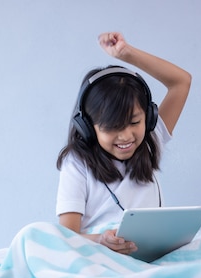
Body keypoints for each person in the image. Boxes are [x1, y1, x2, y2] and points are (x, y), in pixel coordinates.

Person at [56, 32, 191, 255]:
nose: (126, 136)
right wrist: (101, 240)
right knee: (32, 236)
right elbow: (66, 238)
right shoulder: (77, 163)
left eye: (134, 122)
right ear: (88, 127)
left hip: (150, 257)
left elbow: (181, 82)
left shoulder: (150, 141)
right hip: (99, 257)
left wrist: (126, 54)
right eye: (112, 127)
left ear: (148, 117)